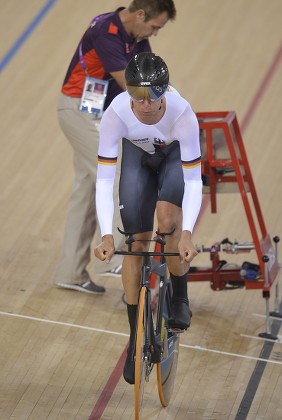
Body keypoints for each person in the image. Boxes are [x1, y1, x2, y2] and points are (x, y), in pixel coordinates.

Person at [54, 0, 177, 294]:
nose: (155, 34)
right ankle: (114, 257)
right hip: (79, 112)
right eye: (155, 26)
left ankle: (69, 272)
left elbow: (154, 83)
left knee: (86, 189)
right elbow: (135, 88)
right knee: (118, 170)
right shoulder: (106, 33)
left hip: (99, 114)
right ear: (139, 14)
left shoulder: (139, 37)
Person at [94, 52, 203, 384]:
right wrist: (105, 234)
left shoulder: (182, 115)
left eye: (152, 96)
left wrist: (187, 232)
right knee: (135, 242)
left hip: (172, 158)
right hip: (138, 158)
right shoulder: (115, 113)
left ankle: (180, 296)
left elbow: (193, 181)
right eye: (136, 95)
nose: (143, 104)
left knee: (167, 222)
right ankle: (133, 339)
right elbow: (103, 179)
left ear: (164, 90)